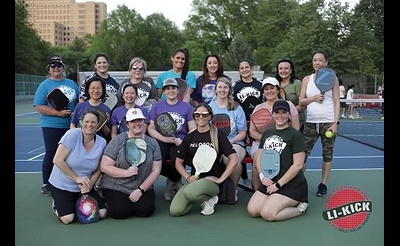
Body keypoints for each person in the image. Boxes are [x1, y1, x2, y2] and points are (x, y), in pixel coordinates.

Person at [170, 103, 238, 216]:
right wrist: (187, 177)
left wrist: (220, 179)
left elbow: (234, 159)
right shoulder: (190, 137)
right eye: (197, 115)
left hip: (212, 181)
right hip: (194, 181)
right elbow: (178, 162)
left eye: (204, 115)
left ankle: (211, 197)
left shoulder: (217, 135)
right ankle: (206, 198)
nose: (201, 117)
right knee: (175, 211)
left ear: (210, 116)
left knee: (190, 193)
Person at [247, 100, 308, 221]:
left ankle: (300, 208)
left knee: (268, 214)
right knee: (253, 210)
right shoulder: (267, 134)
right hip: (270, 182)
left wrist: (278, 184)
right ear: (272, 114)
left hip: (291, 184)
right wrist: (262, 176)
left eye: (284, 112)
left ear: (289, 115)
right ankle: (275, 200)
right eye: (277, 112)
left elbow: (298, 165)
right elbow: (259, 157)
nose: (280, 116)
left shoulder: (295, 135)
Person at [99, 108, 162, 219]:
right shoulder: (117, 141)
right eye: (133, 121)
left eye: (140, 120)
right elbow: (104, 166)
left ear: (143, 122)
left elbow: (156, 170)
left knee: (145, 211)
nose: (137, 124)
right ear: (127, 124)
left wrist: (141, 190)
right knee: (120, 212)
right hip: (117, 186)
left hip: (141, 186)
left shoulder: (153, 143)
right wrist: (126, 173)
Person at [48, 110, 108, 224]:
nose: (89, 125)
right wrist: (77, 178)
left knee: (102, 213)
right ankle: (57, 205)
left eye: (93, 122)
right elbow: (57, 160)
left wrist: (90, 184)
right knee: (68, 219)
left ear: (98, 124)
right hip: (62, 185)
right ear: (81, 122)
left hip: (83, 186)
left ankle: (75, 201)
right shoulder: (72, 135)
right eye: (86, 121)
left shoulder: (102, 142)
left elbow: (99, 168)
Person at [33, 56, 80, 196]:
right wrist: (57, 113)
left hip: (70, 126)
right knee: (52, 153)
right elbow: (39, 106)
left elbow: (79, 102)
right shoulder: (44, 85)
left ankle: (66, 181)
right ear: (49, 69)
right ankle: (46, 183)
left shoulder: (72, 84)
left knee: (70, 155)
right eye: (53, 66)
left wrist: (76, 113)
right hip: (52, 126)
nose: (56, 68)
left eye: (59, 65)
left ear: (63, 67)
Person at [299, 49, 340, 197]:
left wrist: (335, 123)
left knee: (327, 154)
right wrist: (313, 98)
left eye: (320, 60)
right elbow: (301, 101)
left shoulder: (333, 79)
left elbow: (336, 101)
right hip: (310, 122)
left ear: (326, 62)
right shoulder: (306, 79)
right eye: (315, 60)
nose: (317, 62)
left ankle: (323, 184)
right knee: (303, 154)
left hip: (328, 122)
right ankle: (299, 182)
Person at [147, 78, 197, 201]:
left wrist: (184, 141)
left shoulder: (187, 107)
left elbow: (192, 128)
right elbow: (151, 128)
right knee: (158, 161)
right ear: (164, 91)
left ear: (178, 90)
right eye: (168, 88)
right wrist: (164, 138)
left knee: (177, 161)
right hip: (162, 141)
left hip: (180, 141)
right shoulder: (157, 107)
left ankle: (171, 185)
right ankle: (175, 179)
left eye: (173, 88)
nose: (171, 91)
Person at [249, 77, 299, 190]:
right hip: (261, 144)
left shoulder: (289, 105)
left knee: (297, 160)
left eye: (272, 88)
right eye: (266, 89)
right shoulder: (258, 108)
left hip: (285, 143)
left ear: (278, 90)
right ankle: (258, 191)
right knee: (258, 159)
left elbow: (295, 128)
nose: (269, 91)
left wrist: (282, 140)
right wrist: (267, 140)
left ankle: (291, 189)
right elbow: (252, 131)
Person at [209, 76, 247, 202]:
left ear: (229, 90)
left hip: (234, 142)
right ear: (215, 90)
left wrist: (227, 143)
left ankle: (232, 190)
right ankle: (212, 191)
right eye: (220, 87)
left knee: (232, 158)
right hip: (214, 143)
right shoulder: (210, 107)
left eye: (225, 87)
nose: (222, 90)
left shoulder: (237, 108)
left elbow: (242, 133)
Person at [70, 75, 111, 140]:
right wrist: (77, 136)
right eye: (93, 88)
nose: (96, 91)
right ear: (88, 90)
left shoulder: (106, 109)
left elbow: (107, 133)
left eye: (98, 88)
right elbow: (73, 124)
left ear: (103, 90)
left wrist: (103, 121)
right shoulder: (80, 106)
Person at [275, 58, 305, 132]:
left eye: (286, 68)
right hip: (277, 123)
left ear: (291, 70)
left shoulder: (297, 83)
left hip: (295, 123)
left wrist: (288, 113)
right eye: (281, 68)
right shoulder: (274, 84)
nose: (283, 71)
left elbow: (303, 105)